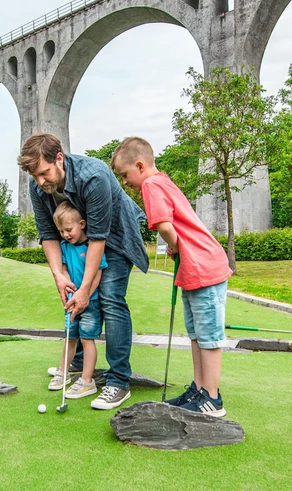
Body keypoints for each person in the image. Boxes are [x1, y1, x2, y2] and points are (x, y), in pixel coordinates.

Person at [18, 133, 148, 411]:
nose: (41, 181)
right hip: (79, 241)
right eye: (35, 175)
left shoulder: (94, 177)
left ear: (60, 159)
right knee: (73, 296)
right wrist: (59, 275)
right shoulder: (37, 185)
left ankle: (118, 381)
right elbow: (48, 234)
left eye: (44, 173)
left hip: (115, 237)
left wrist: (86, 289)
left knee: (110, 299)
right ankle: (78, 362)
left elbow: (99, 238)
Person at [111, 137, 232, 417]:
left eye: (125, 175)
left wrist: (175, 245)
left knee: (209, 337)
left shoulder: (151, 185)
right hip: (194, 268)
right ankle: (200, 389)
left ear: (140, 166)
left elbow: (165, 226)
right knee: (196, 334)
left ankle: (212, 399)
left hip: (203, 266)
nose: (125, 182)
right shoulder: (163, 180)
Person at [48, 202, 107, 400]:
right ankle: (63, 373)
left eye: (68, 229)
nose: (65, 234)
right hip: (71, 302)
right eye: (61, 231)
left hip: (91, 302)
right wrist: (69, 289)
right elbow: (64, 269)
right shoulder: (64, 246)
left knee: (86, 339)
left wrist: (86, 295)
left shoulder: (92, 246)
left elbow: (97, 273)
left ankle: (87, 381)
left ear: (81, 224)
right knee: (70, 337)